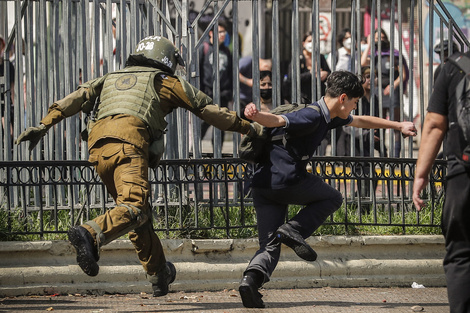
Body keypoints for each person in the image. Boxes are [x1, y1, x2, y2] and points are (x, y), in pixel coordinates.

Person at [16, 36, 255, 297]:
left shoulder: (111, 77)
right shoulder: (164, 81)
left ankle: (158, 273)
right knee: (134, 207)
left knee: (137, 217)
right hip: (128, 145)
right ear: (166, 60)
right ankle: (90, 233)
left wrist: (44, 124)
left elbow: (78, 96)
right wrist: (247, 127)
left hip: (98, 150)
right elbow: (208, 109)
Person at [239, 70, 417, 308]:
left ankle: (250, 282)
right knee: (332, 197)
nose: (354, 108)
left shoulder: (328, 115)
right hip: (287, 179)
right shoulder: (312, 116)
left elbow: (361, 120)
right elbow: (279, 121)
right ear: (343, 98)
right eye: (354, 103)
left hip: (263, 184)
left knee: (269, 245)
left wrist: (398, 125)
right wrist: (257, 114)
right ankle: (292, 229)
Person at [413, 49, 470, 313]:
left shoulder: (454, 68)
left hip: (463, 174)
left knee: (461, 254)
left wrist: (421, 174)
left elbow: (435, 124)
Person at [361, 29, 409, 157]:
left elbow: (403, 75)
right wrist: (370, 45)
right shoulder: (373, 55)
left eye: (382, 37)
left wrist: (392, 86)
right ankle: (383, 154)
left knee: (396, 124)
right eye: (377, 38)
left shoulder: (394, 54)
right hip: (377, 92)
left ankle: (396, 156)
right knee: (379, 123)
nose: (380, 40)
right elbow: (362, 63)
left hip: (392, 91)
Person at [199, 19, 233, 146]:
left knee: (221, 127)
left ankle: (217, 157)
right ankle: (194, 153)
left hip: (223, 95)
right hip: (207, 94)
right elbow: (198, 72)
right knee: (204, 125)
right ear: (211, 33)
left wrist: (230, 94)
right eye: (220, 32)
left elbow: (230, 73)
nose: (223, 35)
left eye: (224, 32)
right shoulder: (204, 48)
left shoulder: (227, 51)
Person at [283, 31, 331, 104]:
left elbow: (329, 73)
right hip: (301, 98)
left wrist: (325, 74)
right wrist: (310, 74)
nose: (312, 43)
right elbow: (291, 77)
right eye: (309, 41)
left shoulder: (320, 57)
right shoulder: (298, 58)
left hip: (318, 97)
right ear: (303, 43)